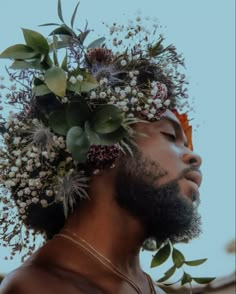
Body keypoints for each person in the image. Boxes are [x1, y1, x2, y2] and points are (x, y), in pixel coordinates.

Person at [0, 2, 203, 293]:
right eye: (170, 136)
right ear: (100, 141)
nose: (195, 156)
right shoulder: (38, 286)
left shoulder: (151, 288)